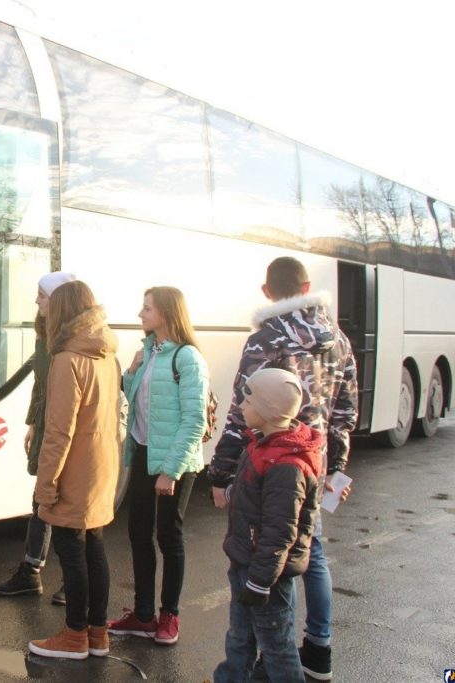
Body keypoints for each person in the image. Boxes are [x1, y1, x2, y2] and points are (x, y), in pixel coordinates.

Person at [208, 257, 358, 681]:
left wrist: (220, 474)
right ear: (307, 285)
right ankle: (319, 649)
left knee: (264, 554)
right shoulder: (339, 338)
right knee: (310, 554)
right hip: (314, 462)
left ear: (266, 292)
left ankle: (268, 654)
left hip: (270, 463)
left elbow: (243, 410)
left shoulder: (267, 339)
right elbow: (345, 411)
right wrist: (336, 470)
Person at [108, 286, 209, 646]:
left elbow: (195, 420)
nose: (140, 313)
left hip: (174, 462)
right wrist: (132, 373)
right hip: (146, 454)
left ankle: (170, 616)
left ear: (165, 313)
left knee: (169, 536)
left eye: (147, 308)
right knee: (137, 533)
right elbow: (137, 402)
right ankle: (143, 615)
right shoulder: (148, 352)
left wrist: (170, 470)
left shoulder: (187, 357)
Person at [27, 280, 121, 660]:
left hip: (74, 470)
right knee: (94, 548)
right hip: (100, 466)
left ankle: (75, 635)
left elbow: (58, 431)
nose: (38, 305)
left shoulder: (67, 360)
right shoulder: (106, 354)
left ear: (62, 310)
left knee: (71, 551)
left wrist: (45, 484)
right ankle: (97, 633)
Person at [213, 368, 324, 683]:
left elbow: (279, 532)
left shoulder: (285, 464)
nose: (241, 408)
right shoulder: (262, 446)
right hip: (247, 564)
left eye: (247, 402)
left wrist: (260, 583)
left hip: (266, 577)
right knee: (240, 637)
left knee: (276, 646)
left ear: (267, 410)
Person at [0, 271, 77, 605]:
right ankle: (31, 572)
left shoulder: (71, 341)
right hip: (47, 426)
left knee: (67, 502)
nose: (36, 300)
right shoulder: (45, 334)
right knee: (41, 498)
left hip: (66, 431)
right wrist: (31, 423)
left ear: (58, 300)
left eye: (41, 295)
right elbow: (40, 387)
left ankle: (74, 579)